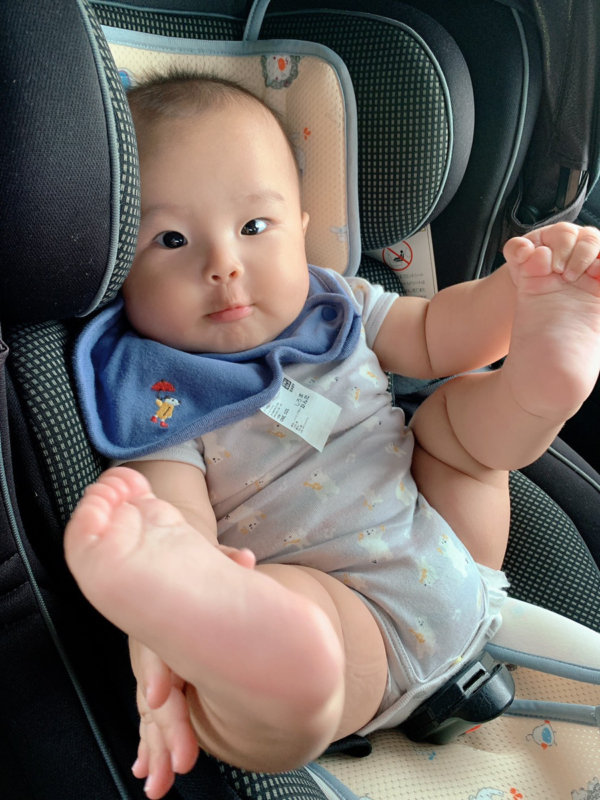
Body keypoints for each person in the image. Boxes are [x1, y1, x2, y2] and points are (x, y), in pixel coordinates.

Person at [64, 72, 600, 799]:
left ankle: (540, 384)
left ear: (303, 226)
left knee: (458, 422)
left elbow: (439, 334)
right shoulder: (159, 388)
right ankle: (275, 669)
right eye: (171, 239)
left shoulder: (333, 302)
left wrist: (515, 291)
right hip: (345, 626)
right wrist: (167, 617)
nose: (223, 264)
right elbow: (175, 525)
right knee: (258, 608)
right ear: (118, 264)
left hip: (456, 557)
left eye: (255, 228)